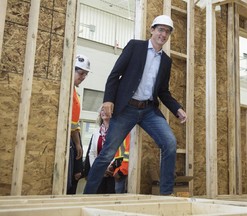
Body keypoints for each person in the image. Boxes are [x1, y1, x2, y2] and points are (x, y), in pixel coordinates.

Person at [84, 15, 187, 195]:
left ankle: (166, 195)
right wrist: (108, 100)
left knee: (170, 142)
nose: (163, 34)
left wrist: (177, 108)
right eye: (161, 29)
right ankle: (87, 195)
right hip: (126, 108)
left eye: (167, 31)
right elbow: (115, 75)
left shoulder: (166, 61)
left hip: (148, 110)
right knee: (107, 152)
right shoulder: (135, 47)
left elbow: (163, 91)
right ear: (152, 30)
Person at [86, 109, 130, 193]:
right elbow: (91, 153)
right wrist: (97, 168)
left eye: (106, 110)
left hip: (113, 172)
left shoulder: (119, 131)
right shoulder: (96, 133)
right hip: (98, 173)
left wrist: (107, 167)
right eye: (102, 110)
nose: (103, 112)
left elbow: (120, 151)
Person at [67, 54, 91, 194]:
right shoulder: (66, 91)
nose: (82, 77)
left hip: (72, 139)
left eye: (85, 75)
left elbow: (74, 124)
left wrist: (77, 144)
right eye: (81, 73)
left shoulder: (75, 94)